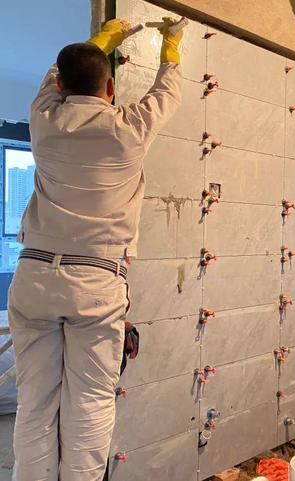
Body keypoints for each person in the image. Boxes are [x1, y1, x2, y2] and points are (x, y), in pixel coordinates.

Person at [8, 17, 184, 481]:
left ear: (61, 86)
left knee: (35, 403)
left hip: (35, 277)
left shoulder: (44, 119)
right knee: (88, 402)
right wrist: (171, 46)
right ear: (111, 88)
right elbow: (168, 92)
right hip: (96, 282)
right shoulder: (130, 128)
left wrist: (104, 39)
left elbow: (54, 75)